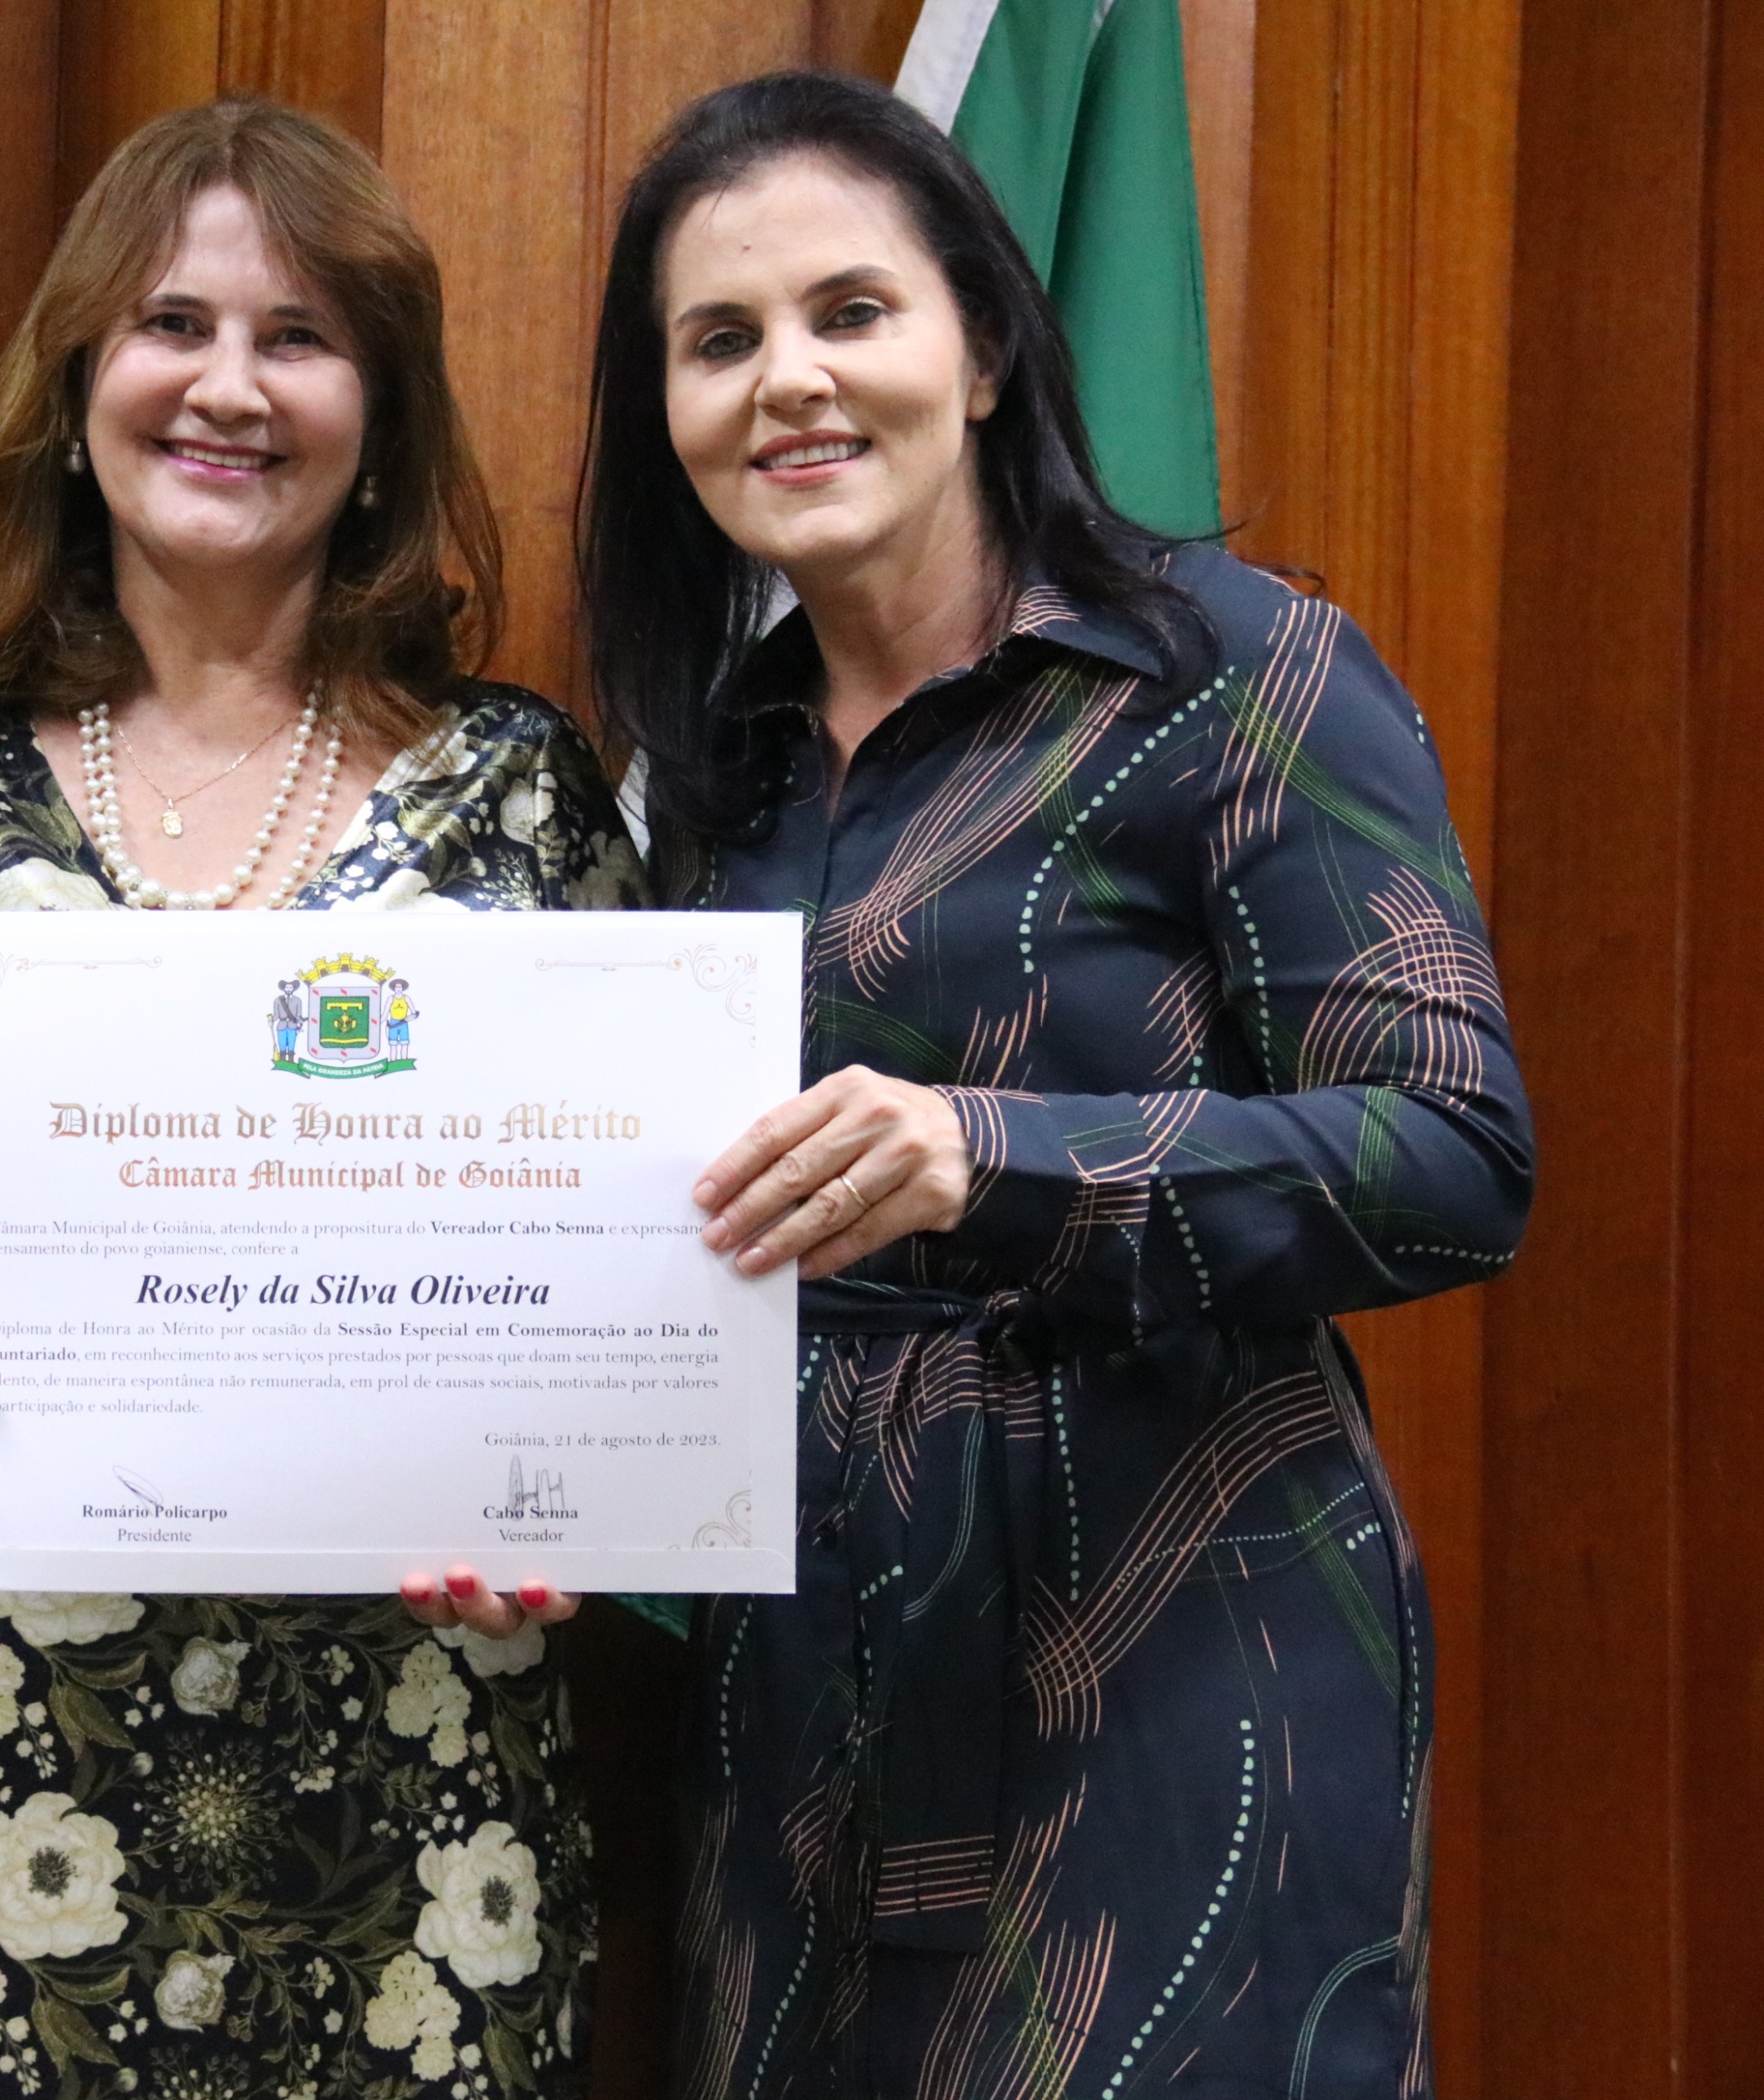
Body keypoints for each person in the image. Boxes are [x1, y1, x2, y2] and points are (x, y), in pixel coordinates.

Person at [575, 72, 1533, 2099]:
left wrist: (990, 1156)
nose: (788, 379)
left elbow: (1451, 1154)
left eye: (852, 311)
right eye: (719, 340)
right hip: (804, 1683)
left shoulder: (1239, 672)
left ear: (987, 347)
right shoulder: (710, 769)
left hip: (1181, 1638)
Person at [0, 98, 644, 2100]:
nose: (228, 387)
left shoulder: (517, 788)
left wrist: (579, 1497)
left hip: (388, 1756)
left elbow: (633, 1255)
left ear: (379, 411)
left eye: (298, 338)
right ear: (76, 384)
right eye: (171, 325)